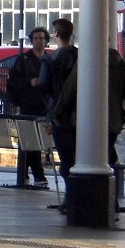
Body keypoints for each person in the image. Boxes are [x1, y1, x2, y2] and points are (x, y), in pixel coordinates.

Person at [50, 46, 125, 206]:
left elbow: (69, 89)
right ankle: (110, 204)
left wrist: (58, 112)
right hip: (112, 122)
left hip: (86, 120)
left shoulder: (86, 61)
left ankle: (76, 202)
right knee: (105, 160)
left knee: (82, 161)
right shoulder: (120, 65)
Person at [6, 27, 51, 187]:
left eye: (42, 38)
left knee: (33, 142)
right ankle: (38, 175)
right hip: (27, 106)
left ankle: (23, 172)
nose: (39, 41)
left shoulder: (49, 60)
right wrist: (28, 82)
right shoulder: (23, 60)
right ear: (32, 41)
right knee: (31, 140)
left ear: (46, 40)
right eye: (36, 38)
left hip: (44, 106)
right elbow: (12, 82)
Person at [47, 18, 78, 194]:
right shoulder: (79, 56)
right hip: (79, 114)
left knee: (66, 157)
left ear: (56, 34)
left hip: (61, 115)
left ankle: (70, 195)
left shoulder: (54, 59)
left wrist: (51, 116)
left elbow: (49, 88)